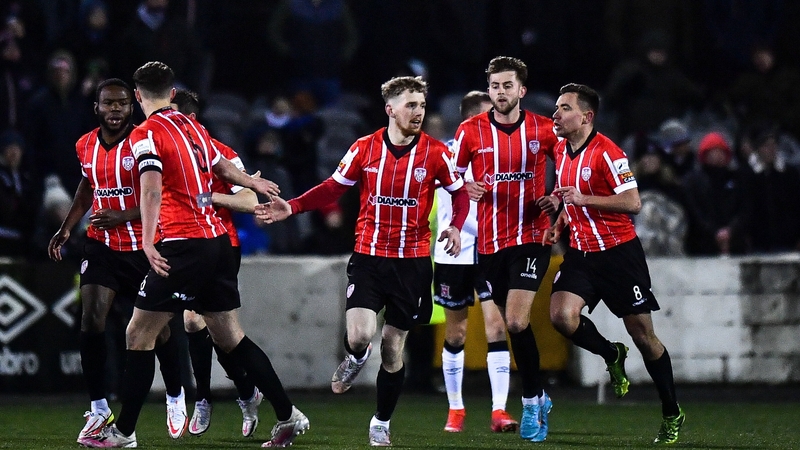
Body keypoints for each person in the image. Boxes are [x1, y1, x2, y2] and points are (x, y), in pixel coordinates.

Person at [79, 61, 309, 449]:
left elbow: (151, 189)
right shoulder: (194, 128)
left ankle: (123, 433)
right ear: (171, 94)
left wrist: (147, 241)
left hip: (183, 244)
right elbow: (222, 166)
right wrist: (253, 182)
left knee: (138, 333)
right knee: (230, 336)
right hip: (217, 241)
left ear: (137, 97)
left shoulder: (145, 134)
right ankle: (289, 415)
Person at [255, 75, 469, 446]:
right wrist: (293, 206)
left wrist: (455, 226)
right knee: (359, 336)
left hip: (412, 263)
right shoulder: (365, 148)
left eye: (421, 105)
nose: (418, 112)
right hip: (369, 258)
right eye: (411, 105)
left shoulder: (436, 153)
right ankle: (356, 357)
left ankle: (381, 422)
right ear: (390, 109)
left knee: (392, 349)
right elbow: (332, 188)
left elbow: (460, 193)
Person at [46, 78, 188, 444]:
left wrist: (121, 216)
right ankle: (98, 408)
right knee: (91, 317)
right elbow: (87, 186)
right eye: (108, 103)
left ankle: (176, 395)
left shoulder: (145, 141)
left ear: (131, 107)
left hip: (144, 248)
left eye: (122, 103)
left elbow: (160, 194)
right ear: (96, 107)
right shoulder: (84, 145)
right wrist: (67, 227)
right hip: (102, 246)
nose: (115, 109)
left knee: (161, 331)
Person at [544, 83, 684, 445]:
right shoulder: (560, 149)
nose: (556, 114)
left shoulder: (608, 152)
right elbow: (569, 197)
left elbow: (633, 202)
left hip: (619, 255)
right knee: (561, 316)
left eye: (565, 108)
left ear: (586, 117)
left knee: (643, 336)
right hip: (581, 253)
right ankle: (611, 353)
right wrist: (561, 219)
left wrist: (583, 199)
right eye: (557, 107)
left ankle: (671, 411)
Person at [453, 56, 559, 443]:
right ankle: (540, 394)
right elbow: (449, 176)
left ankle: (529, 404)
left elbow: (569, 165)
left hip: (532, 237)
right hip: (490, 243)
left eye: (507, 85)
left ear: (521, 90)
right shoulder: (470, 131)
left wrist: (556, 198)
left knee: (514, 321)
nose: (501, 92)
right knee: (514, 325)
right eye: (495, 85)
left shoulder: (544, 129)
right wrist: (465, 186)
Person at [169, 88, 264, 437]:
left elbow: (250, 199)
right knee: (196, 324)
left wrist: (209, 197)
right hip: (184, 246)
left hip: (221, 247)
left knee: (207, 326)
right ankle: (223, 395)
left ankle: (231, 395)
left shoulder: (220, 154)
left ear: (190, 119)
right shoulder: (167, 152)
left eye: (171, 115)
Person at [434, 90, 516, 434]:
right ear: (470, 119)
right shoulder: (444, 153)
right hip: (454, 252)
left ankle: (499, 411)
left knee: (497, 327)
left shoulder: (499, 152)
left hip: (491, 249)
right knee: (456, 333)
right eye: (487, 115)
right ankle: (456, 408)